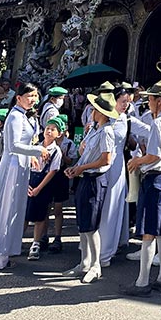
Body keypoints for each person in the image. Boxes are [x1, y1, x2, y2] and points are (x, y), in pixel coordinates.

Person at [0, 83, 50, 271]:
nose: (33, 99)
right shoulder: (15, 116)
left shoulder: (25, 116)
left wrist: (32, 155)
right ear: (18, 97)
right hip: (12, 167)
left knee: (14, 209)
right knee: (6, 210)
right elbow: (13, 145)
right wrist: (38, 149)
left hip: (21, 165)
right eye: (29, 96)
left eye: (35, 96)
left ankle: (5, 250)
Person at [120, 79, 161, 296]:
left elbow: (154, 154)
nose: (148, 102)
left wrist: (137, 161)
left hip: (155, 177)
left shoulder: (159, 123)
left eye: (150, 99)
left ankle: (142, 282)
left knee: (149, 232)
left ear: (158, 101)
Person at [63, 90, 117, 284]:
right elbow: (84, 152)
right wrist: (77, 167)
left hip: (95, 179)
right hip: (85, 177)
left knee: (91, 225)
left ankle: (96, 265)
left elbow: (106, 159)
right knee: (83, 223)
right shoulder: (94, 129)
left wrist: (81, 168)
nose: (91, 111)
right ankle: (84, 262)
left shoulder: (107, 131)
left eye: (95, 108)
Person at [99, 85, 131, 266]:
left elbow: (143, 130)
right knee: (103, 203)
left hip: (118, 163)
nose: (125, 105)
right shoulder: (106, 117)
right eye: (122, 101)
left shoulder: (126, 118)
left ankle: (111, 243)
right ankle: (100, 244)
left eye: (127, 102)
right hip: (105, 161)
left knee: (114, 202)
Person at [26, 117, 63, 261]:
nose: (49, 131)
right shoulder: (36, 145)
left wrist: (39, 188)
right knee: (25, 213)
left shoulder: (56, 151)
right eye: (47, 128)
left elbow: (52, 172)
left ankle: (36, 243)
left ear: (58, 134)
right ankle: (16, 241)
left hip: (43, 184)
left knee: (40, 215)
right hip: (30, 180)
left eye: (53, 129)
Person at [47, 113, 78, 253]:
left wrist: (61, 153)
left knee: (58, 208)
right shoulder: (46, 142)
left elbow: (70, 161)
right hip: (48, 175)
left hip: (61, 176)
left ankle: (57, 237)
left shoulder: (69, 143)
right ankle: (43, 235)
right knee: (46, 207)